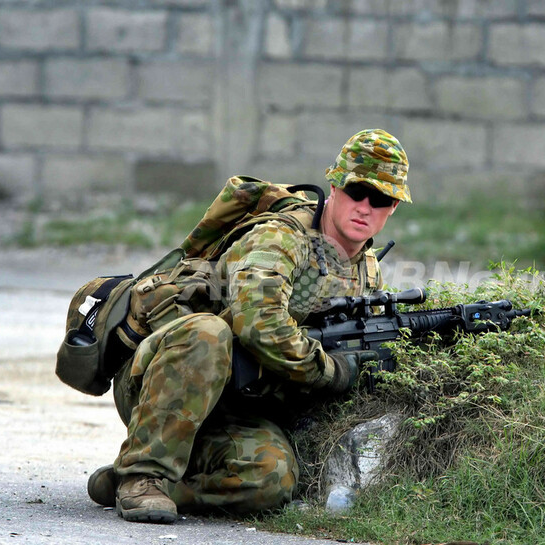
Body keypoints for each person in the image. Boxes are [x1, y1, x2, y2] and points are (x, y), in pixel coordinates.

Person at [85, 128, 412, 524]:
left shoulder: (366, 267)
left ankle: (157, 487)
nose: (365, 206)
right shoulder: (281, 237)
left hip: (237, 404)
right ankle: (143, 475)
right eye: (357, 191)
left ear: (393, 207)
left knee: (273, 477)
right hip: (166, 379)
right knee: (210, 333)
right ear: (334, 185)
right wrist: (331, 370)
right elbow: (259, 323)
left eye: (380, 199)